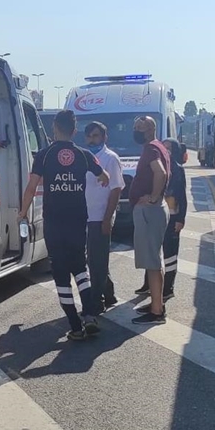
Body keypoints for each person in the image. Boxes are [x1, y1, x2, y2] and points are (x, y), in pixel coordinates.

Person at [19, 110, 110, 340]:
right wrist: (100, 181)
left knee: (60, 273)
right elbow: (104, 176)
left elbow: (31, 188)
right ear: (74, 131)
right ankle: (89, 315)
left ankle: (75, 327)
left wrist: (22, 213)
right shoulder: (84, 155)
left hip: (54, 222)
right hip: (78, 220)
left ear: (55, 129)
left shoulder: (44, 155)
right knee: (80, 268)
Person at [128, 116, 171, 325]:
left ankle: (156, 311)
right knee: (156, 259)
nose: (136, 131)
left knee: (153, 262)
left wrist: (153, 197)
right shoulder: (160, 147)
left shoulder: (151, 150)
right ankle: (157, 303)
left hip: (150, 211)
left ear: (150, 129)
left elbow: (160, 174)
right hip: (156, 211)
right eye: (135, 127)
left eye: (139, 127)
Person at [135, 137, 188, 305]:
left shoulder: (178, 169)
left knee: (170, 255)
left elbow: (182, 197)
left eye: (169, 148)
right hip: (156, 213)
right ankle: (148, 285)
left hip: (172, 216)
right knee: (152, 251)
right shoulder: (156, 165)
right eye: (163, 148)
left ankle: (168, 288)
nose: (165, 151)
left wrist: (181, 219)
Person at [82, 122, 125, 313]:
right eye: (90, 136)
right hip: (86, 216)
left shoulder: (110, 158)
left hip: (101, 216)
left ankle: (96, 302)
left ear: (104, 137)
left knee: (97, 261)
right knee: (95, 259)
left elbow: (116, 190)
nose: (92, 139)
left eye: (96, 135)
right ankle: (108, 293)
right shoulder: (85, 157)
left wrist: (107, 218)